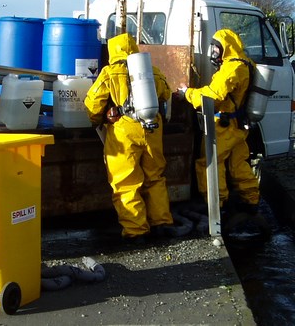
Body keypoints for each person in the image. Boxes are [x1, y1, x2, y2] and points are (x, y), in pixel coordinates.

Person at [84, 33, 173, 242]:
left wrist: (99, 119)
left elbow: (93, 104)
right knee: (155, 177)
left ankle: (136, 231)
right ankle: (161, 223)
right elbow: (166, 93)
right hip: (152, 127)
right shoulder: (152, 70)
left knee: (126, 183)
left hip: (124, 130)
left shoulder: (109, 72)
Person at [177, 28, 260, 215]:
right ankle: (251, 200)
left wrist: (187, 93)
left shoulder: (232, 68)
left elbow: (212, 96)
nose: (214, 53)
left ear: (226, 48)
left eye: (217, 48)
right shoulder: (247, 63)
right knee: (238, 164)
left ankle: (216, 205)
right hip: (239, 125)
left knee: (210, 163)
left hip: (225, 126)